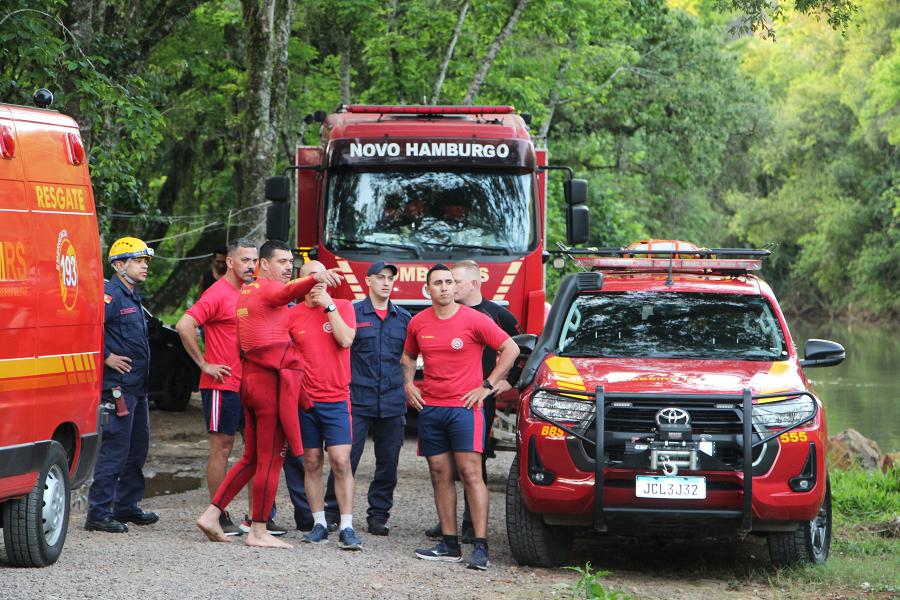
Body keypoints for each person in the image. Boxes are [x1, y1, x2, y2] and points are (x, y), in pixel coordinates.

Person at [195, 240, 342, 549]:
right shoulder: (266, 289)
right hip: (269, 384)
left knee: (251, 458)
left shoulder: (247, 293)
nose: (288, 267)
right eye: (282, 262)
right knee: (270, 460)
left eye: (291, 262)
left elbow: (279, 312)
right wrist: (316, 276)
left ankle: (211, 514)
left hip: (251, 382)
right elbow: (287, 293)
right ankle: (258, 530)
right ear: (263, 264)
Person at [403, 264, 519, 571]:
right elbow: (408, 357)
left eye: (449, 282)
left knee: (471, 474)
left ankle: (480, 546)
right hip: (431, 409)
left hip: (466, 408)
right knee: (440, 474)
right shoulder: (417, 323)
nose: (444, 287)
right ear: (427, 290)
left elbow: (511, 348)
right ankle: (450, 544)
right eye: (438, 283)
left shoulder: (475, 319)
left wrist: (487, 385)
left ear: (456, 287)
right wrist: (407, 386)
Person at [176, 238, 261, 536]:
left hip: (249, 384)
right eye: (245, 260)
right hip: (221, 384)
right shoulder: (217, 293)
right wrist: (204, 364)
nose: (251, 265)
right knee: (222, 449)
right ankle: (219, 513)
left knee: (255, 449)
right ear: (230, 262)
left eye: (254, 260)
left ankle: (257, 517)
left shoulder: (252, 291)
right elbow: (184, 325)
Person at [321, 261, 411, 536]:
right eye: (380, 277)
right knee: (344, 459)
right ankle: (332, 511)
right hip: (358, 398)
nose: (386, 282)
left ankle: (378, 516)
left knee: (388, 463)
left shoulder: (404, 318)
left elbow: (409, 358)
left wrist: (408, 386)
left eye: (390, 279)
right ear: (368, 281)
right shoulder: (352, 312)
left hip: (392, 401)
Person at [283, 260, 361, 550]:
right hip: (306, 402)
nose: (316, 282)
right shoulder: (292, 315)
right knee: (312, 462)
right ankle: (318, 522)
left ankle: (347, 526)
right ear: (299, 282)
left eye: (321, 277)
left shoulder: (344, 306)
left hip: (337, 399)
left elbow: (346, 339)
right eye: (310, 277)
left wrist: (329, 306)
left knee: (341, 461)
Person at [85, 237, 158, 533]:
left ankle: (126, 506)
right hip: (119, 387)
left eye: (146, 261)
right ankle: (98, 514)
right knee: (115, 448)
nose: (145, 266)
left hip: (137, 388)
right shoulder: (110, 295)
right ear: (119, 265)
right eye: (139, 261)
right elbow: (87, 330)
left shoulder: (132, 296)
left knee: (137, 449)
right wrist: (106, 357)